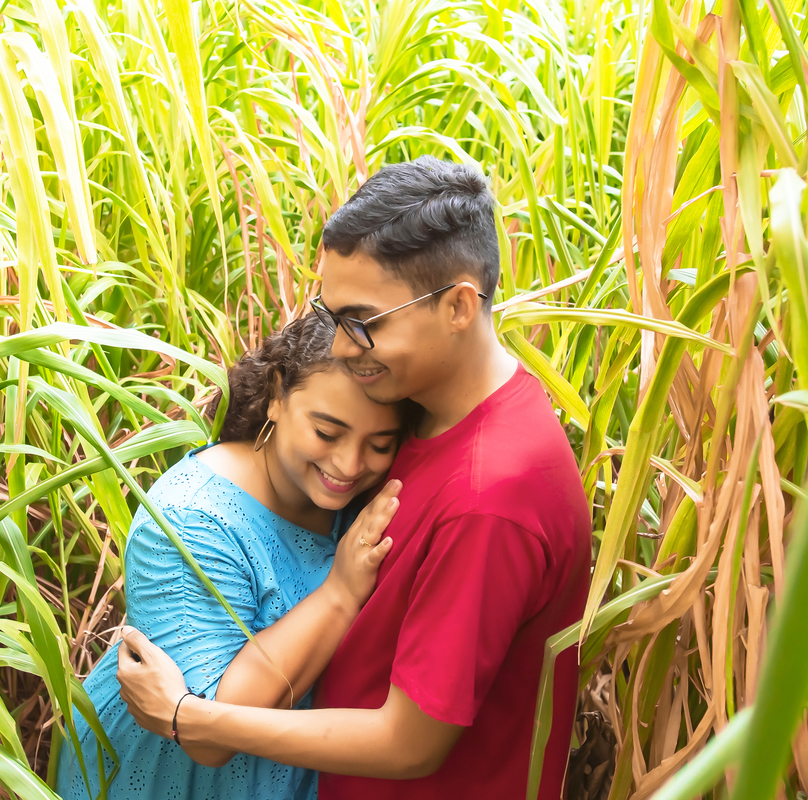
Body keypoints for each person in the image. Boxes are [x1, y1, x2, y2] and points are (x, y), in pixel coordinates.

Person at [115, 156, 592, 800]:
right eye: (332, 315)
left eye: (363, 322)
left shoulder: (490, 496)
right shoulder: (423, 413)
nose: (340, 346)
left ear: (457, 305)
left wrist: (190, 716)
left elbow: (409, 741)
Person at [56, 314, 416, 800]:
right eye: (327, 434)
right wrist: (340, 593)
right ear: (275, 395)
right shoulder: (190, 520)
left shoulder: (348, 501)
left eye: (379, 444)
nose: (350, 465)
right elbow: (209, 727)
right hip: (168, 780)